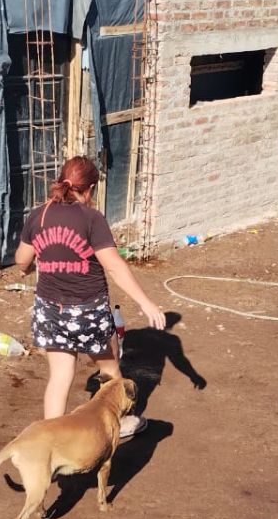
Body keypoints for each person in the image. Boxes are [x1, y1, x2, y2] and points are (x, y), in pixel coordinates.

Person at [15, 156, 166, 438]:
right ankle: (121, 424)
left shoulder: (38, 215)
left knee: (60, 377)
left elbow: (21, 260)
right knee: (110, 372)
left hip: (50, 311)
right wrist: (146, 302)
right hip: (87, 313)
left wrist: (32, 266)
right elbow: (114, 266)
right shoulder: (91, 218)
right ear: (91, 188)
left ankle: (51, 441)